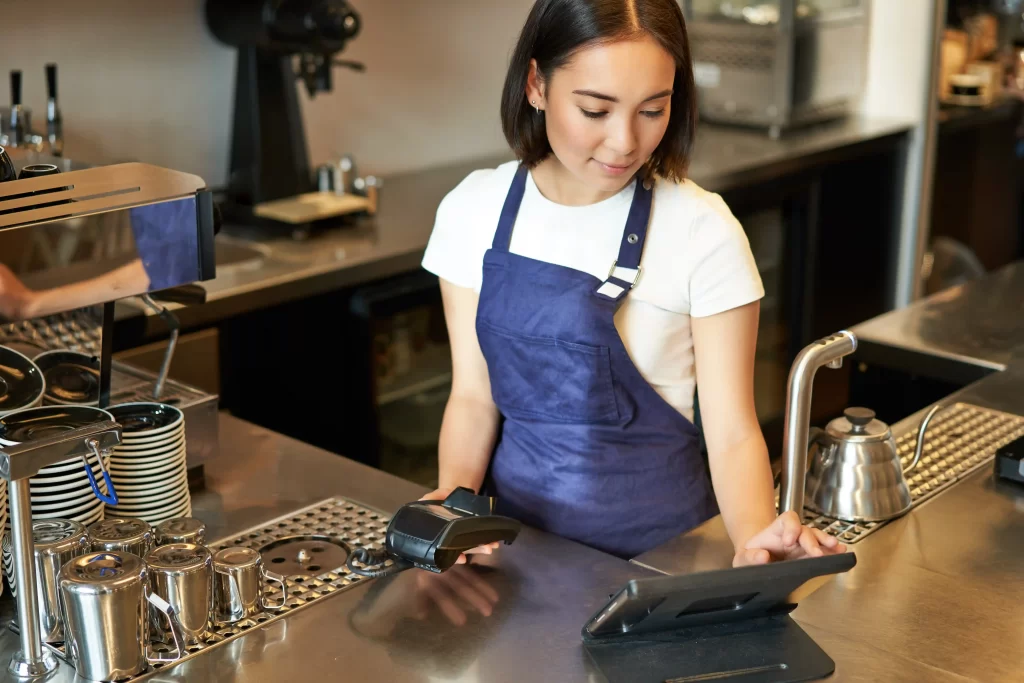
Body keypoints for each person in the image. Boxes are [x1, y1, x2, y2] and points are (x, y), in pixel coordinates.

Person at [420, 0, 845, 566]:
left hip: (662, 559)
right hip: (514, 553)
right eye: (595, 110)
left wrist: (753, 542)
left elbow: (733, 432)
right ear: (536, 85)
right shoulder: (473, 210)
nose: (624, 141)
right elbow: (474, 399)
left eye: (653, 109)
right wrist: (455, 506)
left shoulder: (702, 230)